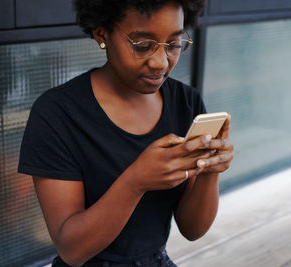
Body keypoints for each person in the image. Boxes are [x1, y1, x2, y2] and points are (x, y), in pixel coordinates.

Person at [18, 0, 233, 266]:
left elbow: (193, 230)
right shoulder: (58, 113)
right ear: (102, 34)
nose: (160, 62)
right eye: (143, 45)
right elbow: (72, 250)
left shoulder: (185, 102)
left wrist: (209, 171)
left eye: (174, 44)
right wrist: (135, 182)